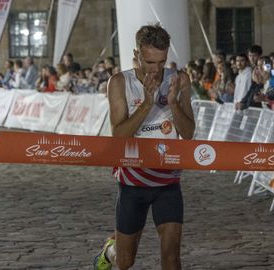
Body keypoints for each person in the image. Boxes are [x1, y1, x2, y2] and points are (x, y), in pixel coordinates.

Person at [94, 24, 195, 270]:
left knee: (171, 258)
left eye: (162, 61)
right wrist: (146, 104)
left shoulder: (179, 79)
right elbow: (118, 136)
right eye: (150, 62)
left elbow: (189, 134)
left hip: (168, 181)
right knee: (125, 262)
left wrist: (172, 102)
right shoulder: (119, 82)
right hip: (132, 182)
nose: (157, 69)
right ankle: (110, 250)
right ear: (136, 55)